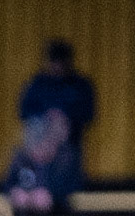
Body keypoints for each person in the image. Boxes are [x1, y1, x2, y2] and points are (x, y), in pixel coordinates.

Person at [18, 40, 95, 175]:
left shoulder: (80, 85)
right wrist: (47, 116)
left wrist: (64, 117)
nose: (57, 67)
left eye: (61, 62)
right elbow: (24, 111)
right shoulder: (38, 84)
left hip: (69, 140)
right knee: (38, 125)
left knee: (60, 124)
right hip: (39, 136)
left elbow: (88, 114)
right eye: (54, 62)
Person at [4, 112, 80, 215]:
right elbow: (7, 186)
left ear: (50, 142)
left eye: (41, 146)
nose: (37, 152)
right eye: (33, 146)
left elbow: (73, 190)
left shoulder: (65, 160)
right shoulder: (21, 159)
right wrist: (15, 193)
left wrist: (52, 197)